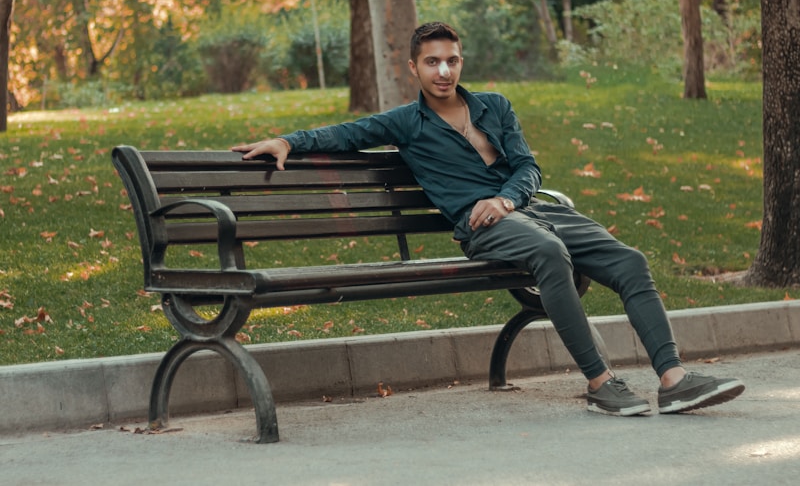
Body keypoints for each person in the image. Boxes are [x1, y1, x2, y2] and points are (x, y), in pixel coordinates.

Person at [233, 21, 745, 416]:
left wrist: (507, 199)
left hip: (526, 210)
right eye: (432, 62)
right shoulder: (405, 124)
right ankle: (599, 384)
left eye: (451, 61)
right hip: (483, 231)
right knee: (550, 254)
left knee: (630, 261)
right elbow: (344, 133)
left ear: (461, 61)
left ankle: (674, 381)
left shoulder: (494, 107)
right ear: (414, 67)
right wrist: (287, 141)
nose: (443, 72)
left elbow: (527, 167)